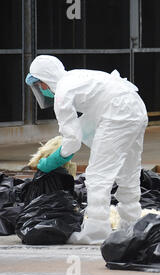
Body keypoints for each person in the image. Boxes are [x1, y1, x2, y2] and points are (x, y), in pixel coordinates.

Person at [25, 55, 148, 244]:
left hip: (118, 113)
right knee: (128, 170)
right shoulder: (77, 77)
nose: (41, 89)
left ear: (45, 80)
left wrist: (51, 161)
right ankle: (131, 224)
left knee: (98, 175)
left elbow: (72, 141)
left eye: (39, 84)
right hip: (136, 108)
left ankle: (97, 231)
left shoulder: (62, 92)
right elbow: (89, 119)